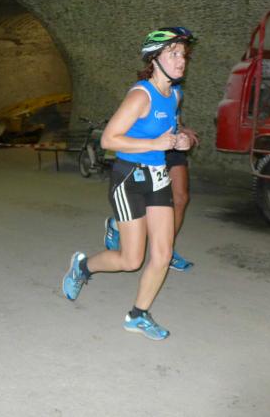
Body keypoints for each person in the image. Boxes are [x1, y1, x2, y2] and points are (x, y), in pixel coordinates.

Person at [62, 27, 195, 340]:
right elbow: (109, 139)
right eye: (173, 54)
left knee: (162, 254)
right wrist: (154, 144)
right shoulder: (140, 96)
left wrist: (182, 140)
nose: (181, 60)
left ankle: (138, 315)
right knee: (131, 260)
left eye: (183, 54)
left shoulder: (175, 94)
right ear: (154, 59)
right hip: (128, 179)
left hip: (157, 177)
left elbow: (169, 130)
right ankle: (83, 267)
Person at [103, 94, 199, 272]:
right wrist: (152, 142)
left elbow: (174, 119)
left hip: (171, 146)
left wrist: (183, 131)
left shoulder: (176, 89)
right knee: (147, 212)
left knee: (181, 198)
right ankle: (117, 225)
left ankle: (167, 251)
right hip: (149, 148)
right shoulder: (144, 90)